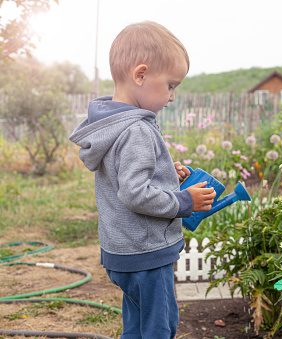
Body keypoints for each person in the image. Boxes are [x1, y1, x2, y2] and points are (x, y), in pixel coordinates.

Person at [69, 21, 216, 338]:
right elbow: (135, 194)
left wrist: (166, 174)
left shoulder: (112, 124)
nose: (172, 97)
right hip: (146, 252)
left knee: (137, 326)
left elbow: (123, 177)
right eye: (171, 85)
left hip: (121, 251)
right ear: (141, 75)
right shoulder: (136, 129)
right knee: (159, 328)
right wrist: (184, 201)